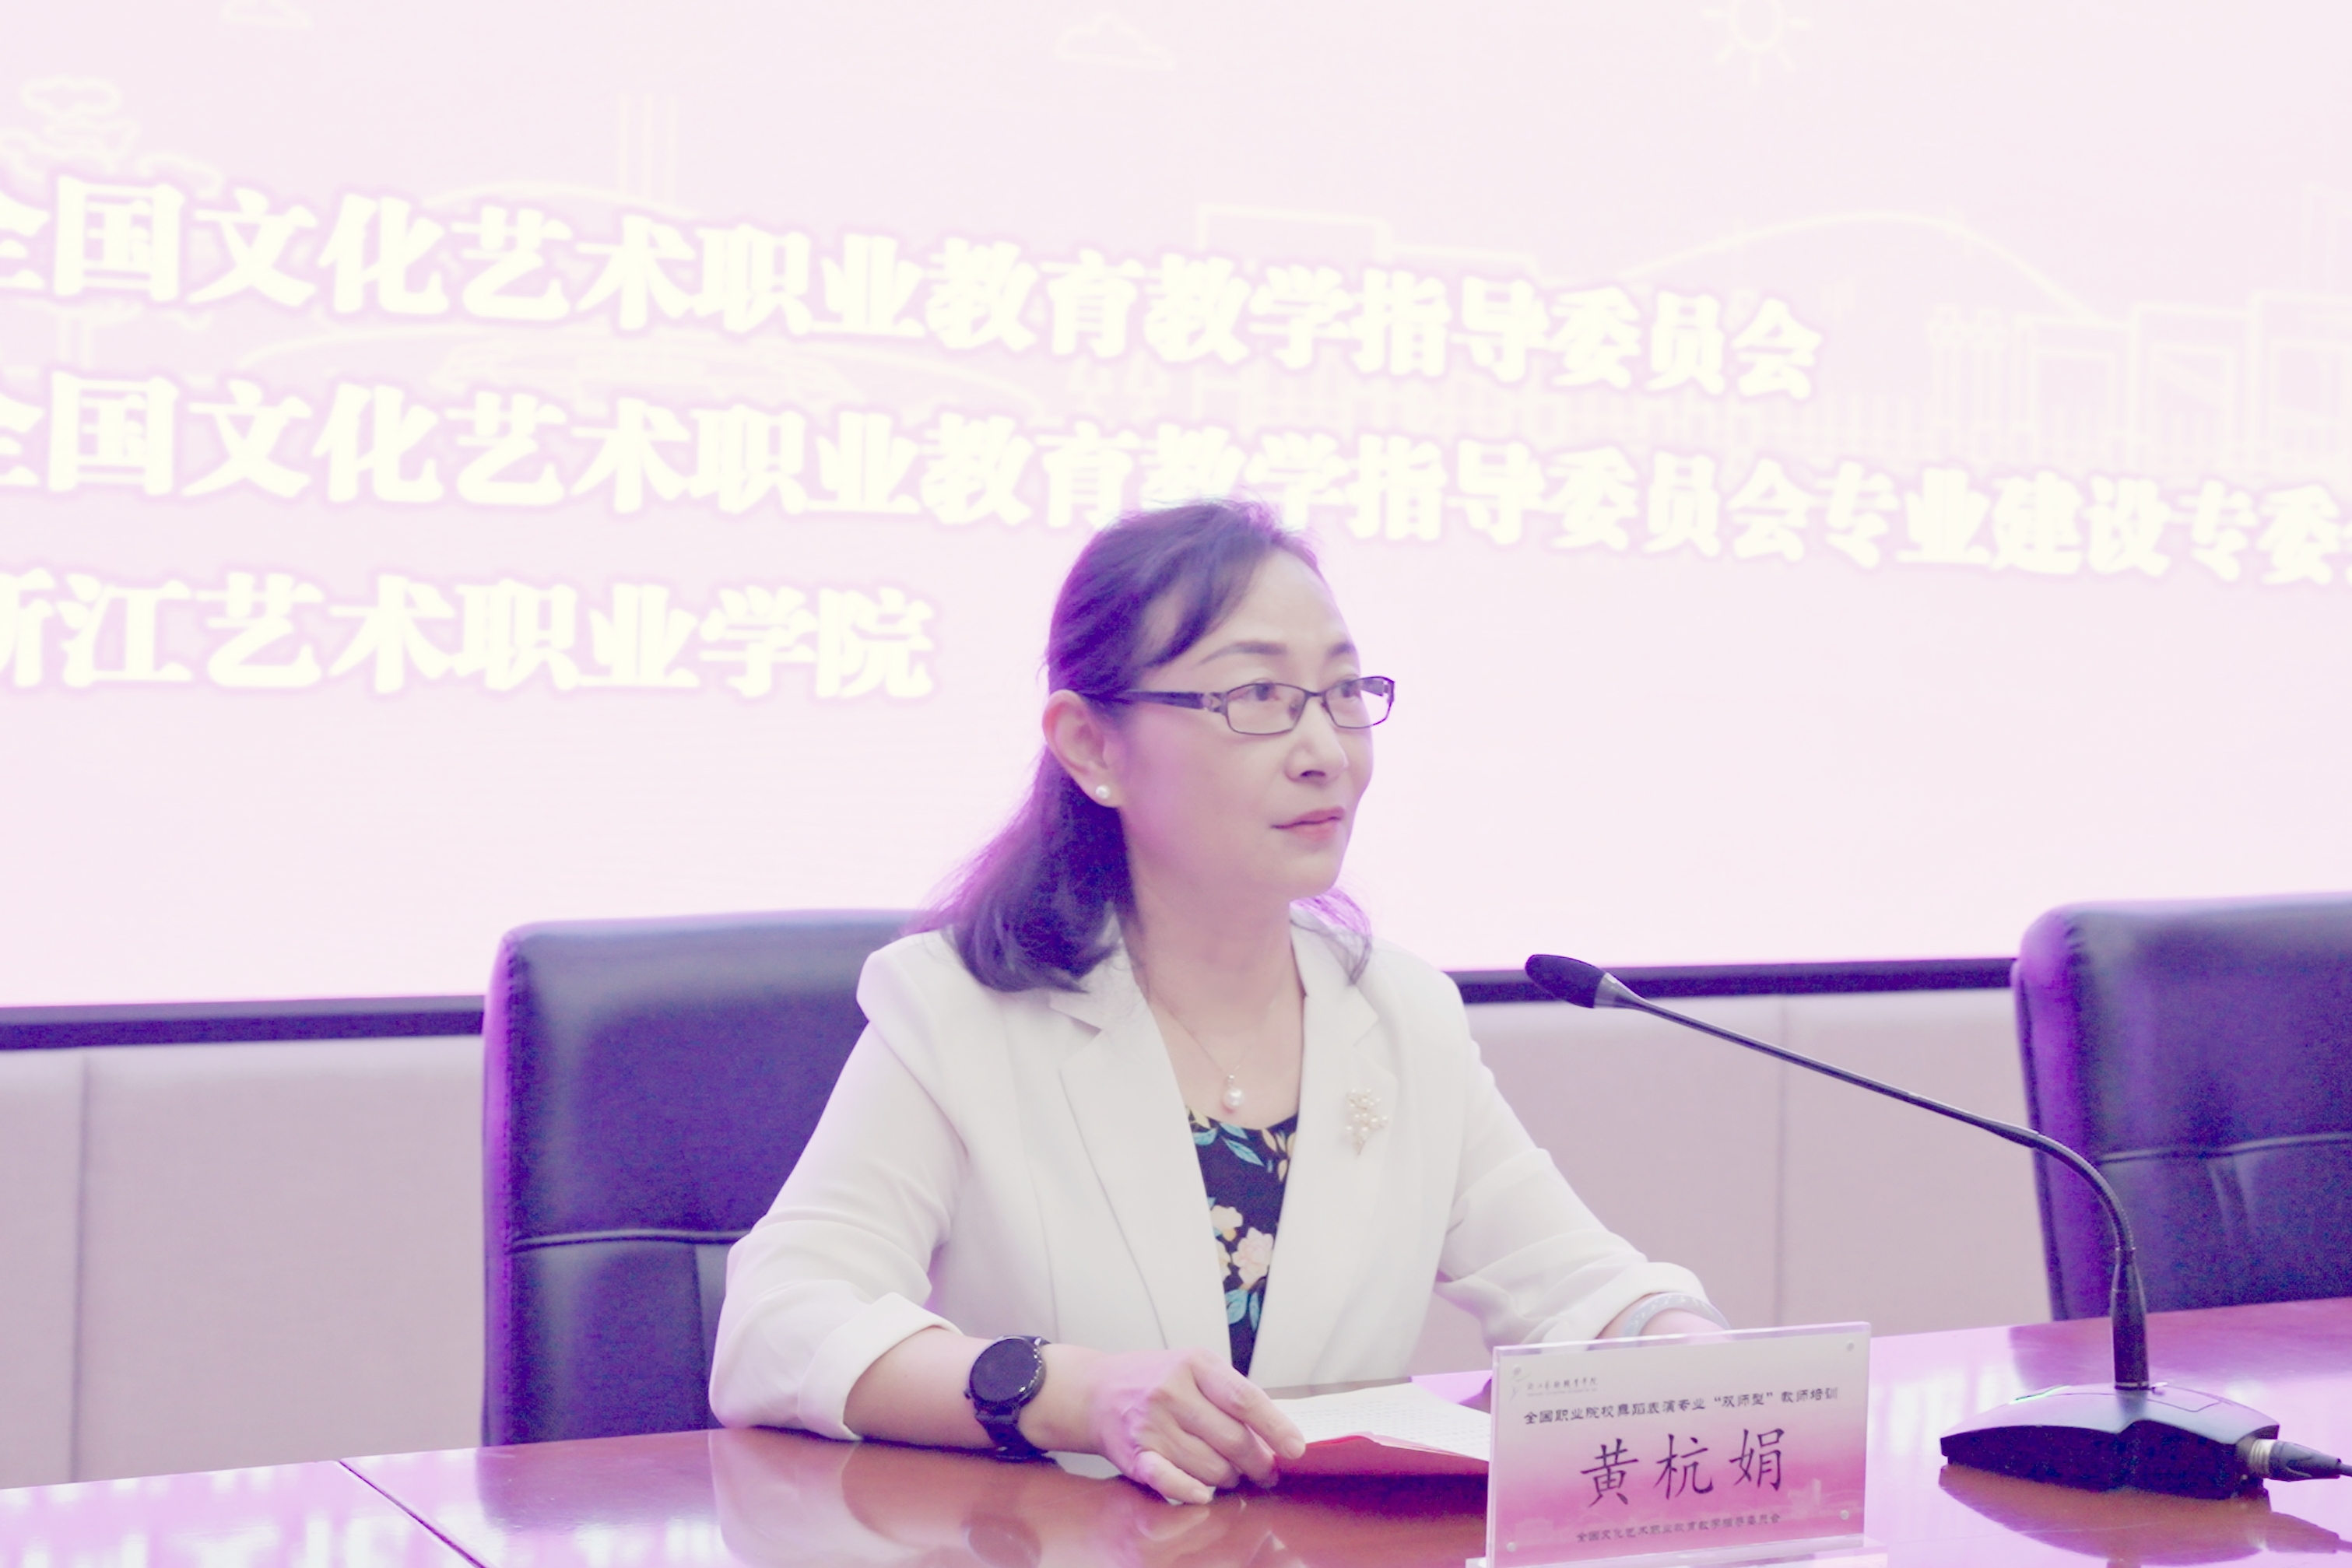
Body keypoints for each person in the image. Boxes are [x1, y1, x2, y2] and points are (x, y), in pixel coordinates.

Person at [710, 498, 1724, 1503]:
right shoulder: (960, 1010)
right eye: (1257, 696)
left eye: (1343, 692)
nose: (1326, 750)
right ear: (1091, 746)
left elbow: (1581, 1286)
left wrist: (1689, 1352)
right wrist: (1072, 1392)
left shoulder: (1399, 1014)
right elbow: (778, 1324)